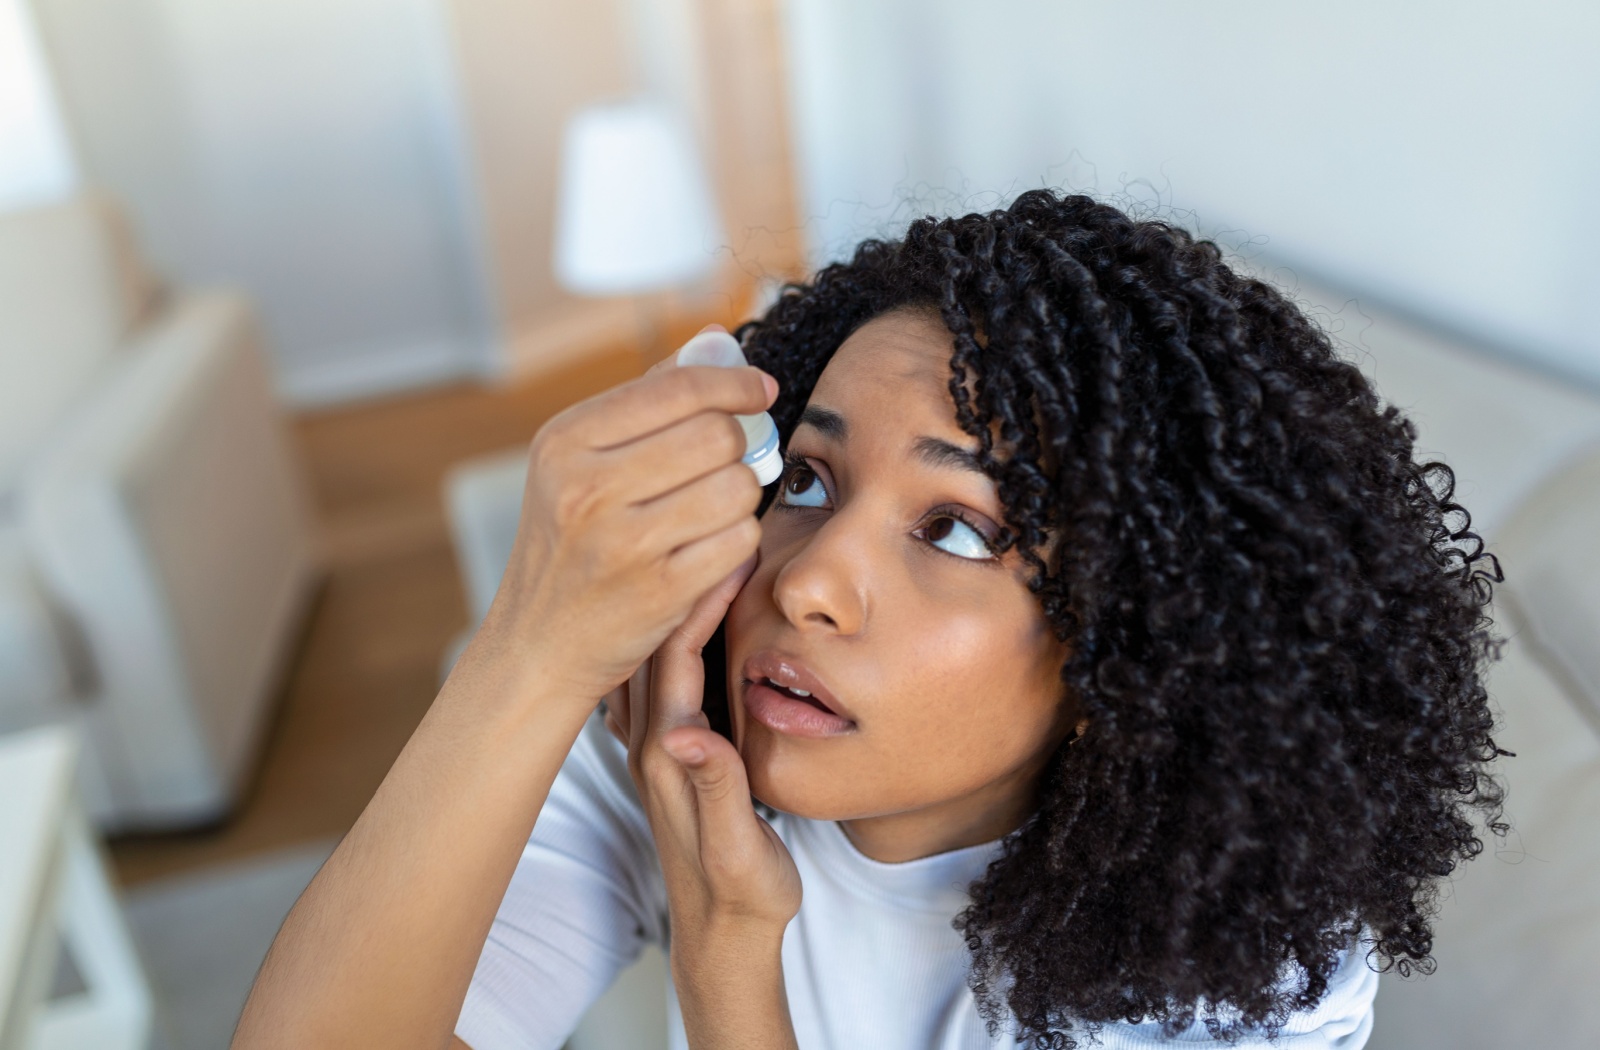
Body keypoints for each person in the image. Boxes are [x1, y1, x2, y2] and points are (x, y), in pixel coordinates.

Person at [232, 191, 1507, 1049]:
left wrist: (727, 956)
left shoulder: (1227, 949)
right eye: (807, 481)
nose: (806, 582)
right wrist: (527, 649)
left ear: (1137, 640)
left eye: (955, 527)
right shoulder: (686, 728)